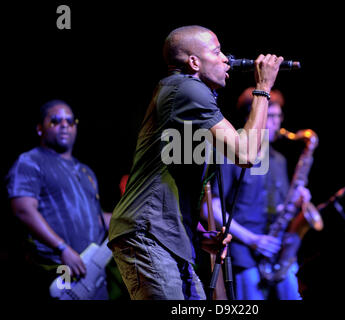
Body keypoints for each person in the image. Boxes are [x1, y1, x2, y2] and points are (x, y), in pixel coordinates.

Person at [108, 25, 283, 300]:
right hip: (147, 233)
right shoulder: (186, 89)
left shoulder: (186, 96)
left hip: (167, 237)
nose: (226, 58)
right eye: (217, 51)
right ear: (193, 62)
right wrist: (262, 88)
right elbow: (247, 155)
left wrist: (199, 236)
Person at [202, 87, 310, 300]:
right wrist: (252, 240)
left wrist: (298, 201)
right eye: (269, 116)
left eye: (278, 116)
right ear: (252, 117)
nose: (276, 123)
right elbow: (209, 208)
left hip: (277, 252)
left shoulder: (279, 160)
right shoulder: (231, 156)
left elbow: (280, 208)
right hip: (244, 253)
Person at [6, 99, 112, 300]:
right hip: (57, 274)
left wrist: (129, 218)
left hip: (93, 278)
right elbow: (23, 210)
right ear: (40, 128)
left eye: (70, 121)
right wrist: (62, 248)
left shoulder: (85, 171)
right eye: (55, 121)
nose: (64, 125)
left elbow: (95, 219)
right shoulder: (30, 161)